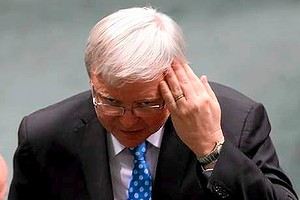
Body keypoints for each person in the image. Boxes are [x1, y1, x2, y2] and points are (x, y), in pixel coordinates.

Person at [8, 6, 298, 200]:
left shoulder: (237, 121)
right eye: (110, 101)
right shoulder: (44, 136)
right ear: (92, 82)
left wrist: (211, 150)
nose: (128, 120)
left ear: (176, 78)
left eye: (147, 104)